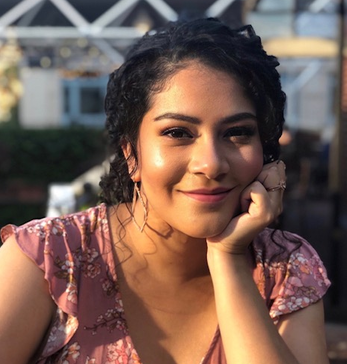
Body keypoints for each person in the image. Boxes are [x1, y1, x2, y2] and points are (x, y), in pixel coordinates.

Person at [0, 18, 330, 364]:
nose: (211, 163)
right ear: (132, 155)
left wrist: (228, 259)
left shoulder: (286, 268)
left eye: (237, 132)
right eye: (178, 133)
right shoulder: (46, 261)